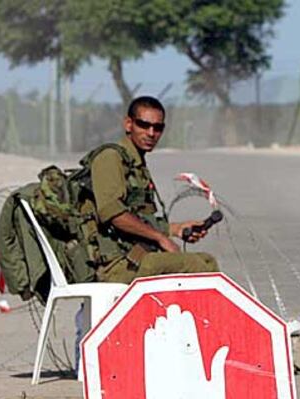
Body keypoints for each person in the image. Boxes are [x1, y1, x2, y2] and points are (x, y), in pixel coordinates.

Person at [90, 95, 219, 284]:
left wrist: (175, 229)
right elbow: (114, 214)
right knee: (201, 266)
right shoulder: (110, 158)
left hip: (134, 256)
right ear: (128, 124)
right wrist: (160, 237)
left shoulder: (134, 163)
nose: (151, 133)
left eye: (158, 128)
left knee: (204, 261)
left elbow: (138, 218)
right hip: (115, 266)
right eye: (143, 125)